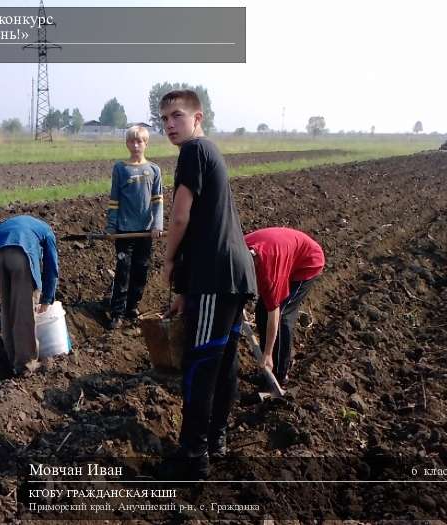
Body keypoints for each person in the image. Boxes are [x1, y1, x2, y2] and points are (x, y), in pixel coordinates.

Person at [160, 90, 257, 479]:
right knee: (224, 361)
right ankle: (216, 439)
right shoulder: (211, 152)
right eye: (163, 118)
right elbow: (204, 227)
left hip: (216, 278)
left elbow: (181, 218)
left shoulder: (193, 152)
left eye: (176, 116)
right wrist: (185, 290)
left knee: (199, 365)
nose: (169, 125)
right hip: (233, 274)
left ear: (197, 117)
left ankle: (193, 457)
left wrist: (167, 260)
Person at [244, 227, 325, 388]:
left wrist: (267, 353)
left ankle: (280, 374)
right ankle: (267, 369)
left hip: (307, 263)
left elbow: (274, 312)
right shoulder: (237, 250)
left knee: (282, 315)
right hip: (285, 251)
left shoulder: (269, 273)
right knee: (261, 311)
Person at [105, 125, 164, 329]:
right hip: (124, 231)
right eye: (132, 141)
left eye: (139, 141)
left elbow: (157, 201)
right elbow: (115, 200)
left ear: (146, 143)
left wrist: (157, 224)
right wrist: (111, 227)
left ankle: (132, 306)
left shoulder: (154, 170)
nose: (136, 145)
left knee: (141, 269)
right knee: (123, 270)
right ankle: (117, 312)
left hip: (145, 231)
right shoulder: (121, 169)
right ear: (127, 144)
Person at [0, 215, 59, 375]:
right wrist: (47, 298)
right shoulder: (48, 232)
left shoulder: (20, 223)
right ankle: (26, 364)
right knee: (23, 311)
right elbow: (51, 268)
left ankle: (12, 358)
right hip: (20, 253)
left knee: (7, 309)